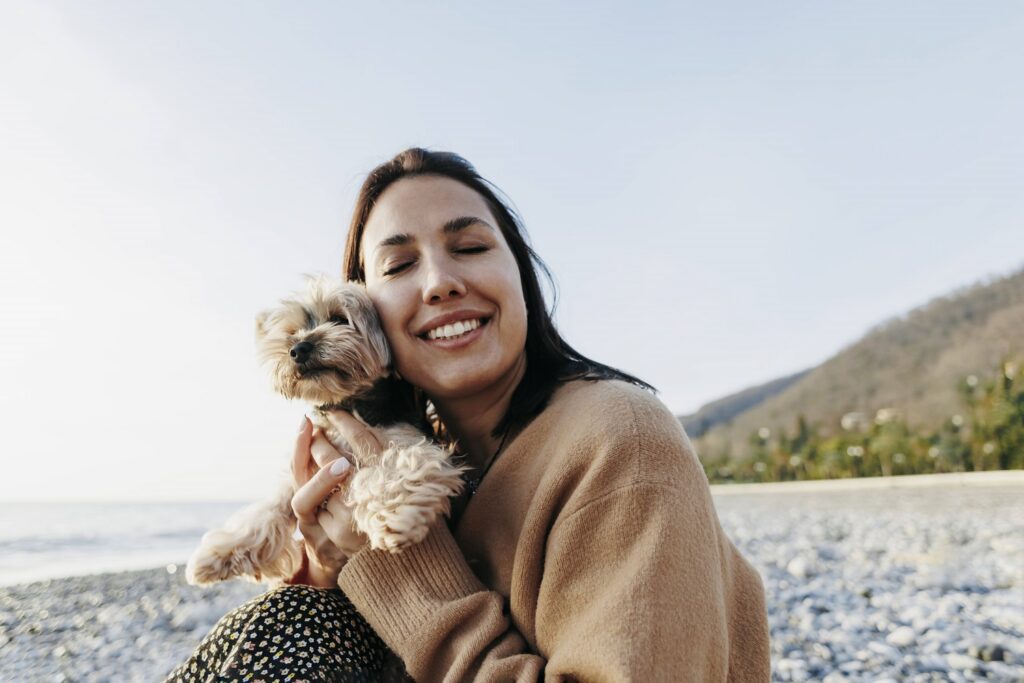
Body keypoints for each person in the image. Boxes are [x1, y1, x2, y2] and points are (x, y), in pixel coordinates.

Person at [168, 148, 771, 682]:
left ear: (522, 276)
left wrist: (393, 564)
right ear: (374, 312)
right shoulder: (412, 442)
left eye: (471, 247)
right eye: (399, 266)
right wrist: (327, 566)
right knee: (280, 619)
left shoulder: (621, 439)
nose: (439, 282)